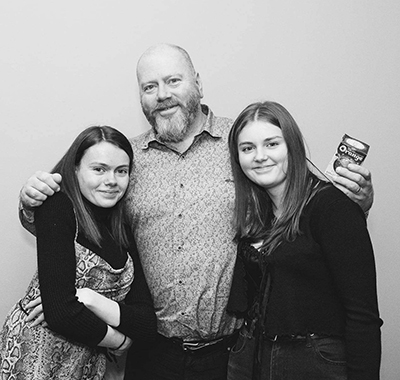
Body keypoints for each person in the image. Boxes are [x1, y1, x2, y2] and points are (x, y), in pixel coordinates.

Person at [18, 44, 375, 380]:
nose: (162, 94)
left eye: (173, 80)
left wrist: (357, 201)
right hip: (151, 352)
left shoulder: (244, 143)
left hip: (233, 352)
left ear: (198, 84)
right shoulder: (125, 161)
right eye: (150, 86)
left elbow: (306, 201)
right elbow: (82, 223)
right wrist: (32, 203)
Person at [226, 101, 382, 380]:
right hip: (254, 359)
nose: (259, 156)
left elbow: (363, 317)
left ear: (292, 147)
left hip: (313, 364)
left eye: (272, 144)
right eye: (247, 148)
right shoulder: (258, 215)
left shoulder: (331, 207)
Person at [0, 126, 156, 379]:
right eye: (99, 169)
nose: (111, 181)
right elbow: (61, 313)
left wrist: (90, 299)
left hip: (86, 359)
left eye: (121, 171)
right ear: (74, 169)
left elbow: (147, 323)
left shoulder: (121, 226)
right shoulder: (57, 206)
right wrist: (119, 341)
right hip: (36, 356)